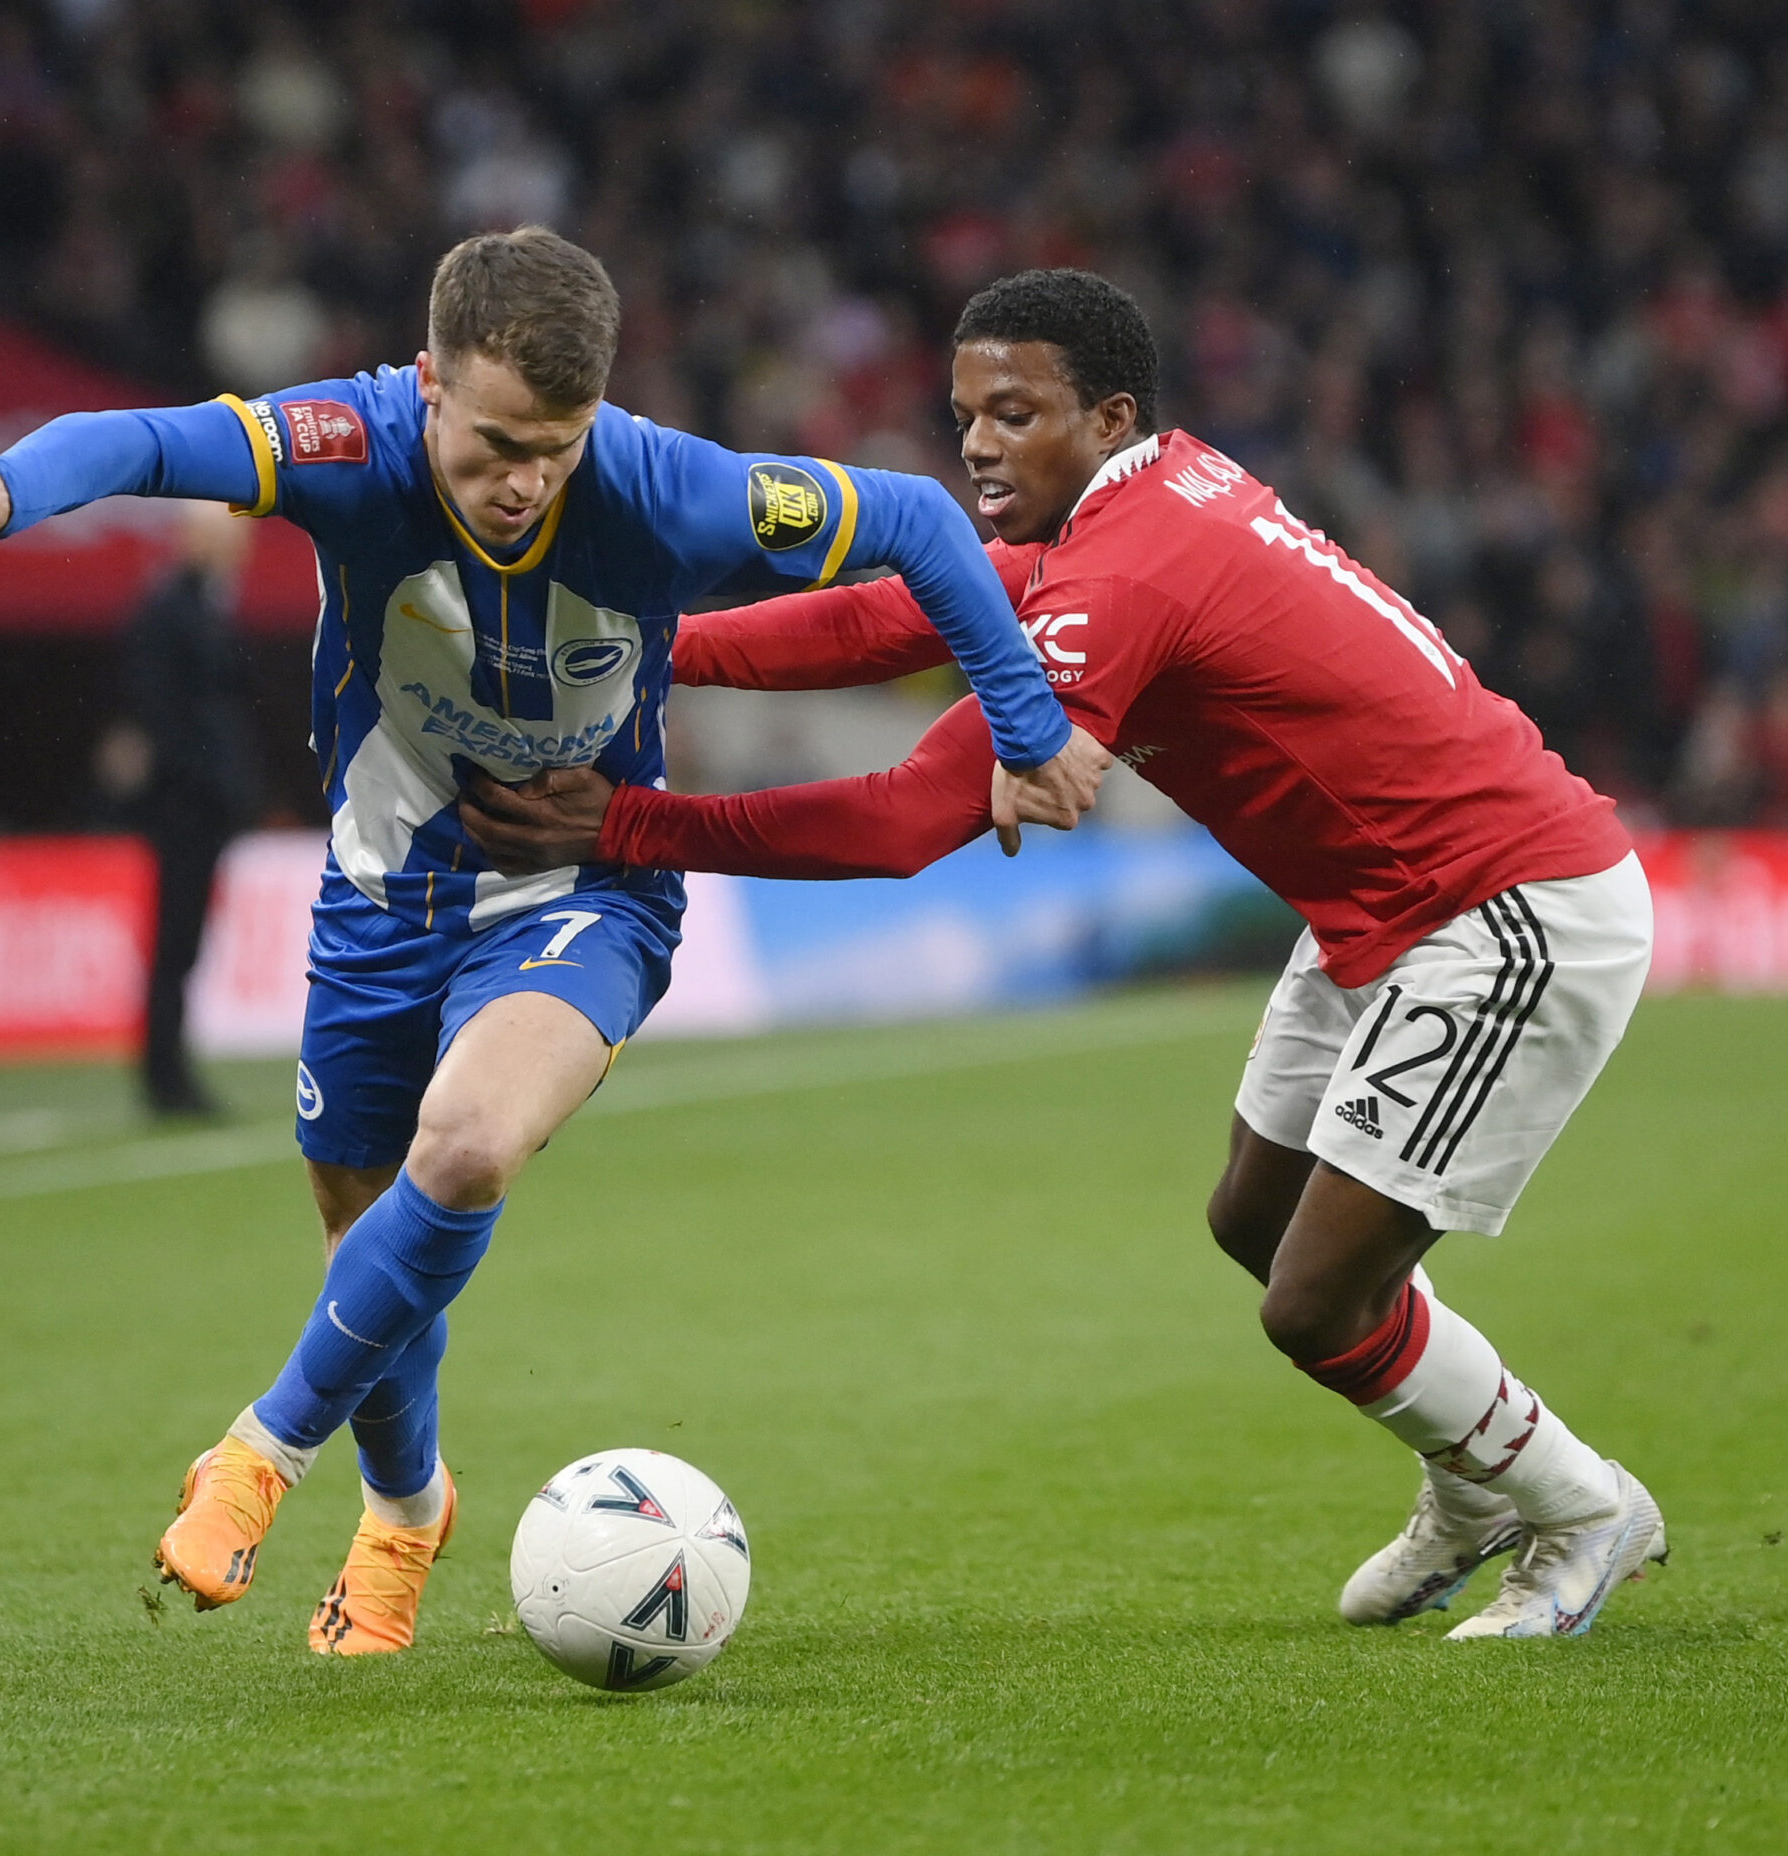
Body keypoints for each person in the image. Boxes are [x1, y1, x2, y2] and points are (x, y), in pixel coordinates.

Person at [0, 228, 1108, 1656]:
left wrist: (1029, 726)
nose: (526, 480)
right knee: (363, 1239)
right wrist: (11, 489)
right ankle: (408, 1510)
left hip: (579, 888)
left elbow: (914, 520)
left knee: (459, 1152)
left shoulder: (662, 488)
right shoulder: (347, 442)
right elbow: (150, 441)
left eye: (558, 447)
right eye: (499, 441)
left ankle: (260, 1455)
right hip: (380, 902)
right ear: (427, 385)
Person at [463, 270, 1668, 1641]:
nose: (978, 443)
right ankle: (1476, 1480)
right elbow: (894, 616)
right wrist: (659, 650)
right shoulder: (1143, 506)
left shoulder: (1133, 564)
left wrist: (624, 822)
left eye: (1016, 413)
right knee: (1252, 1223)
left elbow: (909, 818)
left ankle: (1577, 1508)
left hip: (1499, 913)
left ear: (1108, 415)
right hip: (1378, 914)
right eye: (968, 411)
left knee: (1317, 1298)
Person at [125, 502, 259, 1117]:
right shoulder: (170, 610)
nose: (242, 548)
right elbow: (165, 714)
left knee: (186, 942)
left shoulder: (204, 604)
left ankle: (171, 1073)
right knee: (175, 940)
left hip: (203, 804)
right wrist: (211, 783)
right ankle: (165, 1078)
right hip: (185, 807)